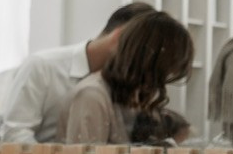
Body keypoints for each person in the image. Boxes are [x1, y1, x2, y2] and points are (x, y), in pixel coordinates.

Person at [0, 2, 157, 143]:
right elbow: (15, 133)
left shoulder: (127, 82)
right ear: (120, 37)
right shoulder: (42, 66)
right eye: (144, 52)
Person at [56, 10, 193, 144]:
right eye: (165, 71)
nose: (164, 79)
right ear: (150, 63)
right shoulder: (92, 96)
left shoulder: (134, 96)